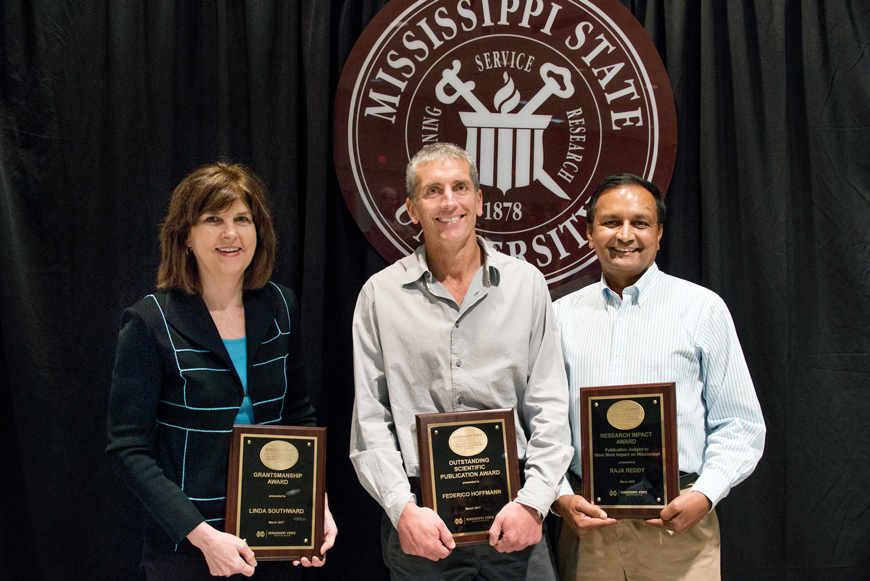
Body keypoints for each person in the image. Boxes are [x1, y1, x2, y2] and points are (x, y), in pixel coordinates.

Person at [350, 142, 573, 580]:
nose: (449, 202)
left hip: (516, 512)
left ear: (479, 200)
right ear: (412, 209)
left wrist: (534, 502)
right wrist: (401, 510)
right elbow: (370, 421)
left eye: (460, 187)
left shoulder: (526, 285)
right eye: (433, 191)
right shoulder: (380, 295)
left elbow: (550, 405)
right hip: (421, 521)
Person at [106, 161, 336, 579]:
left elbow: (298, 416)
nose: (230, 233)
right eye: (213, 219)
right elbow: (128, 448)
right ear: (185, 236)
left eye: (241, 219)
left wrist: (314, 505)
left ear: (258, 231)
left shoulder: (281, 305)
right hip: (189, 547)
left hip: (274, 533)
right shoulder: (150, 321)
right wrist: (203, 537)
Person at [553, 174, 766, 580]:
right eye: (611, 222)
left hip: (679, 527)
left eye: (641, 222)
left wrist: (705, 494)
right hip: (588, 529)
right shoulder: (559, 317)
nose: (625, 235)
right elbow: (542, 424)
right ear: (589, 231)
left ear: (661, 232)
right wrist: (561, 498)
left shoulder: (702, 309)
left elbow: (741, 424)